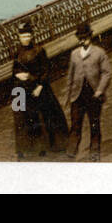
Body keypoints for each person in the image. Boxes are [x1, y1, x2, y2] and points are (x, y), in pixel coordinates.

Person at [12, 21, 69, 159]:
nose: (25, 39)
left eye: (27, 36)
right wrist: (17, 74)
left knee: (45, 116)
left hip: (38, 87)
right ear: (19, 38)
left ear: (32, 36)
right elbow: (15, 69)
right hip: (21, 89)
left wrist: (39, 86)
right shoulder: (17, 52)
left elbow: (46, 70)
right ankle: (25, 149)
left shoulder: (39, 50)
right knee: (21, 118)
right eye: (22, 36)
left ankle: (50, 146)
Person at [65, 23, 111, 162]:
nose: (82, 41)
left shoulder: (99, 53)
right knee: (75, 125)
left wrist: (99, 90)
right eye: (80, 38)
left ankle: (94, 152)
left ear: (90, 36)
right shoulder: (74, 54)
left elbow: (106, 73)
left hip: (93, 95)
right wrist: (68, 97)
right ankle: (71, 153)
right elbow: (70, 77)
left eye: (85, 38)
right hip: (77, 96)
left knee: (94, 124)